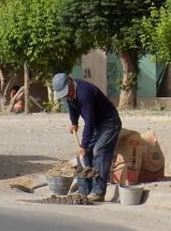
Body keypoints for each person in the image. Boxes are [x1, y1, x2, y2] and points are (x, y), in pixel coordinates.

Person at [52, 73, 122, 202]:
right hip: (96, 125)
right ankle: (83, 190)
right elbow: (72, 106)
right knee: (83, 155)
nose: (67, 96)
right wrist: (74, 122)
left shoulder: (84, 93)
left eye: (67, 93)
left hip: (109, 123)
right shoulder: (70, 94)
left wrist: (83, 145)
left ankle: (98, 192)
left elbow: (89, 122)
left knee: (99, 150)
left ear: (70, 83)